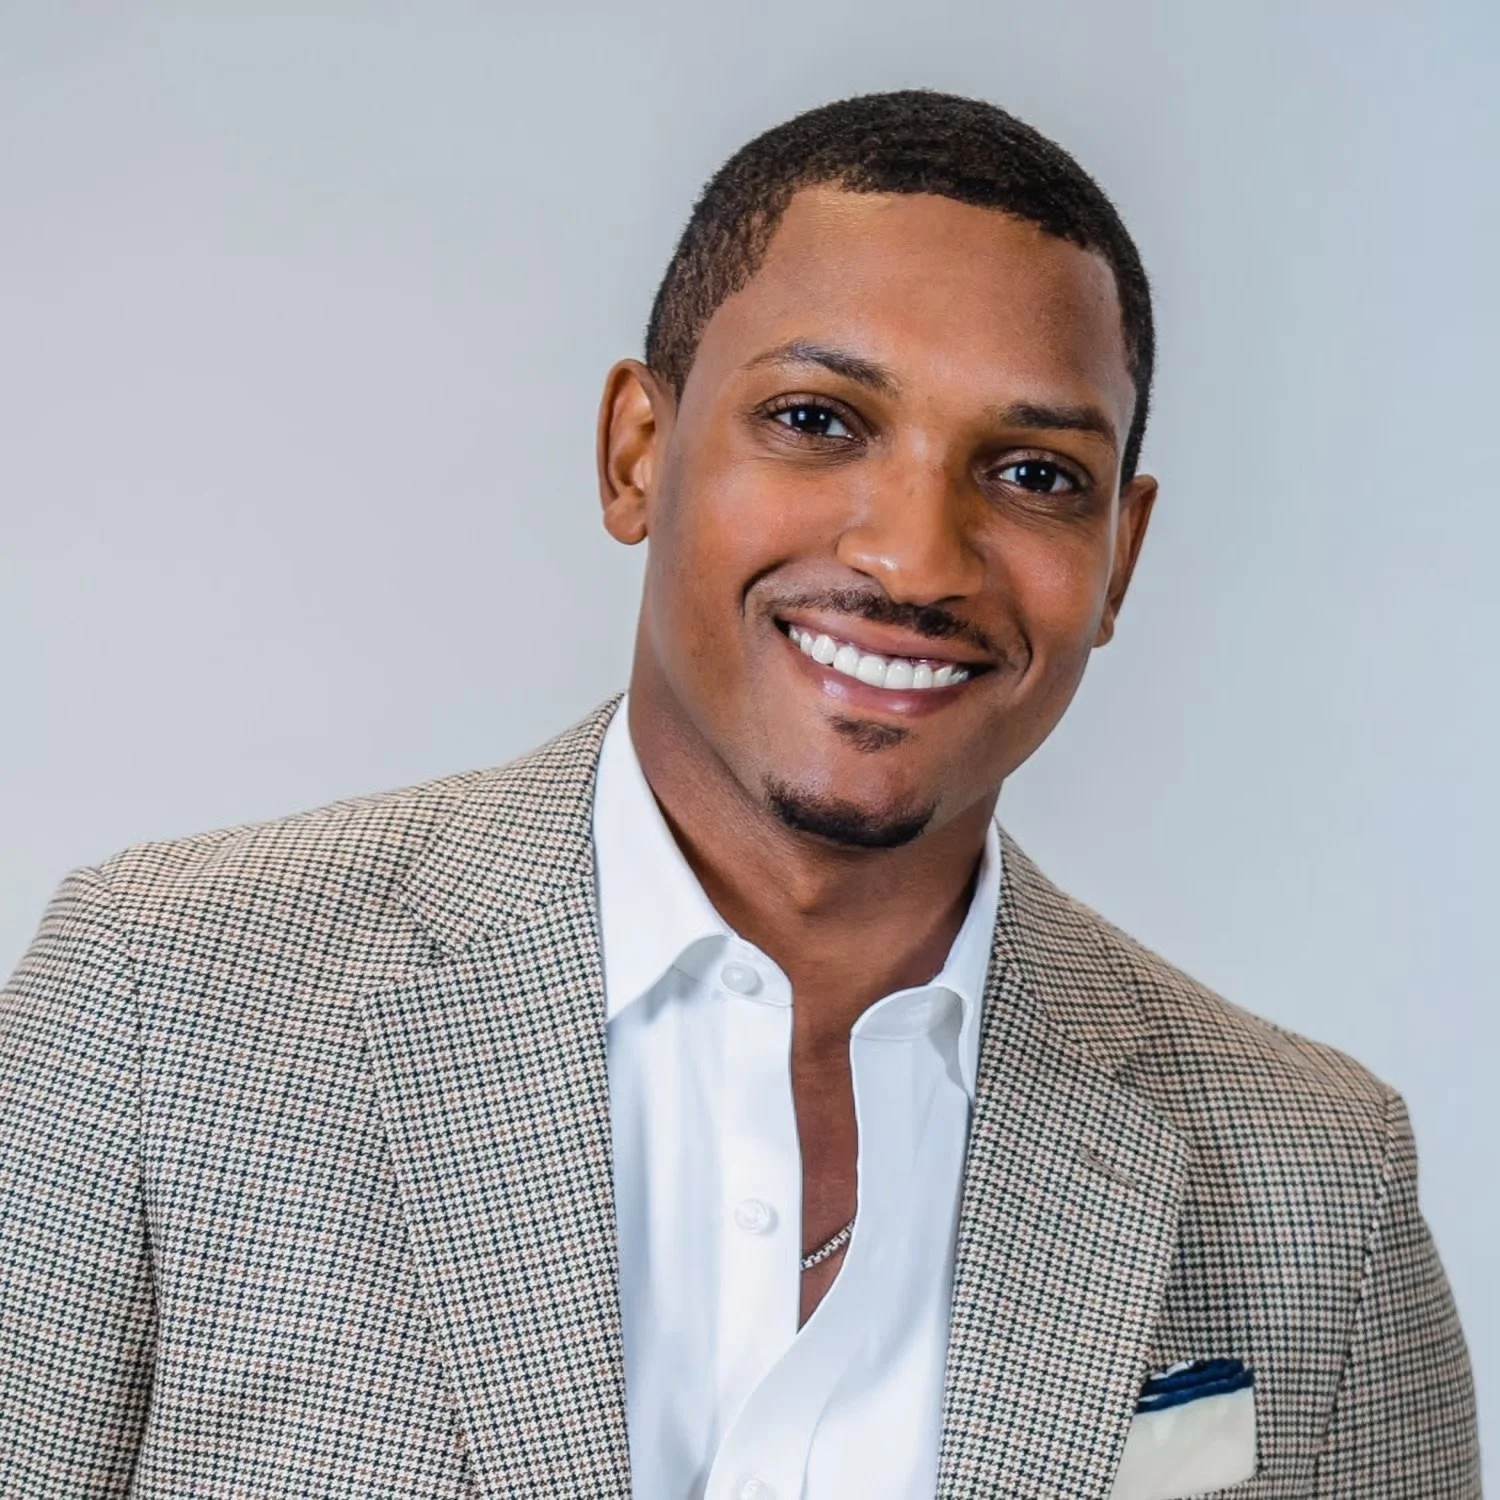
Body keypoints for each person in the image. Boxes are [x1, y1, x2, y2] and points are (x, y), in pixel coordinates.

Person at [0, 89, 1478, 1500]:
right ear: (638, 452)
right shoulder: (161, 1003)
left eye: (1032, 472)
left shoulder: (1313, 1179)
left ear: (1121, 560)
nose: (915, 559)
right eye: (820, 421)